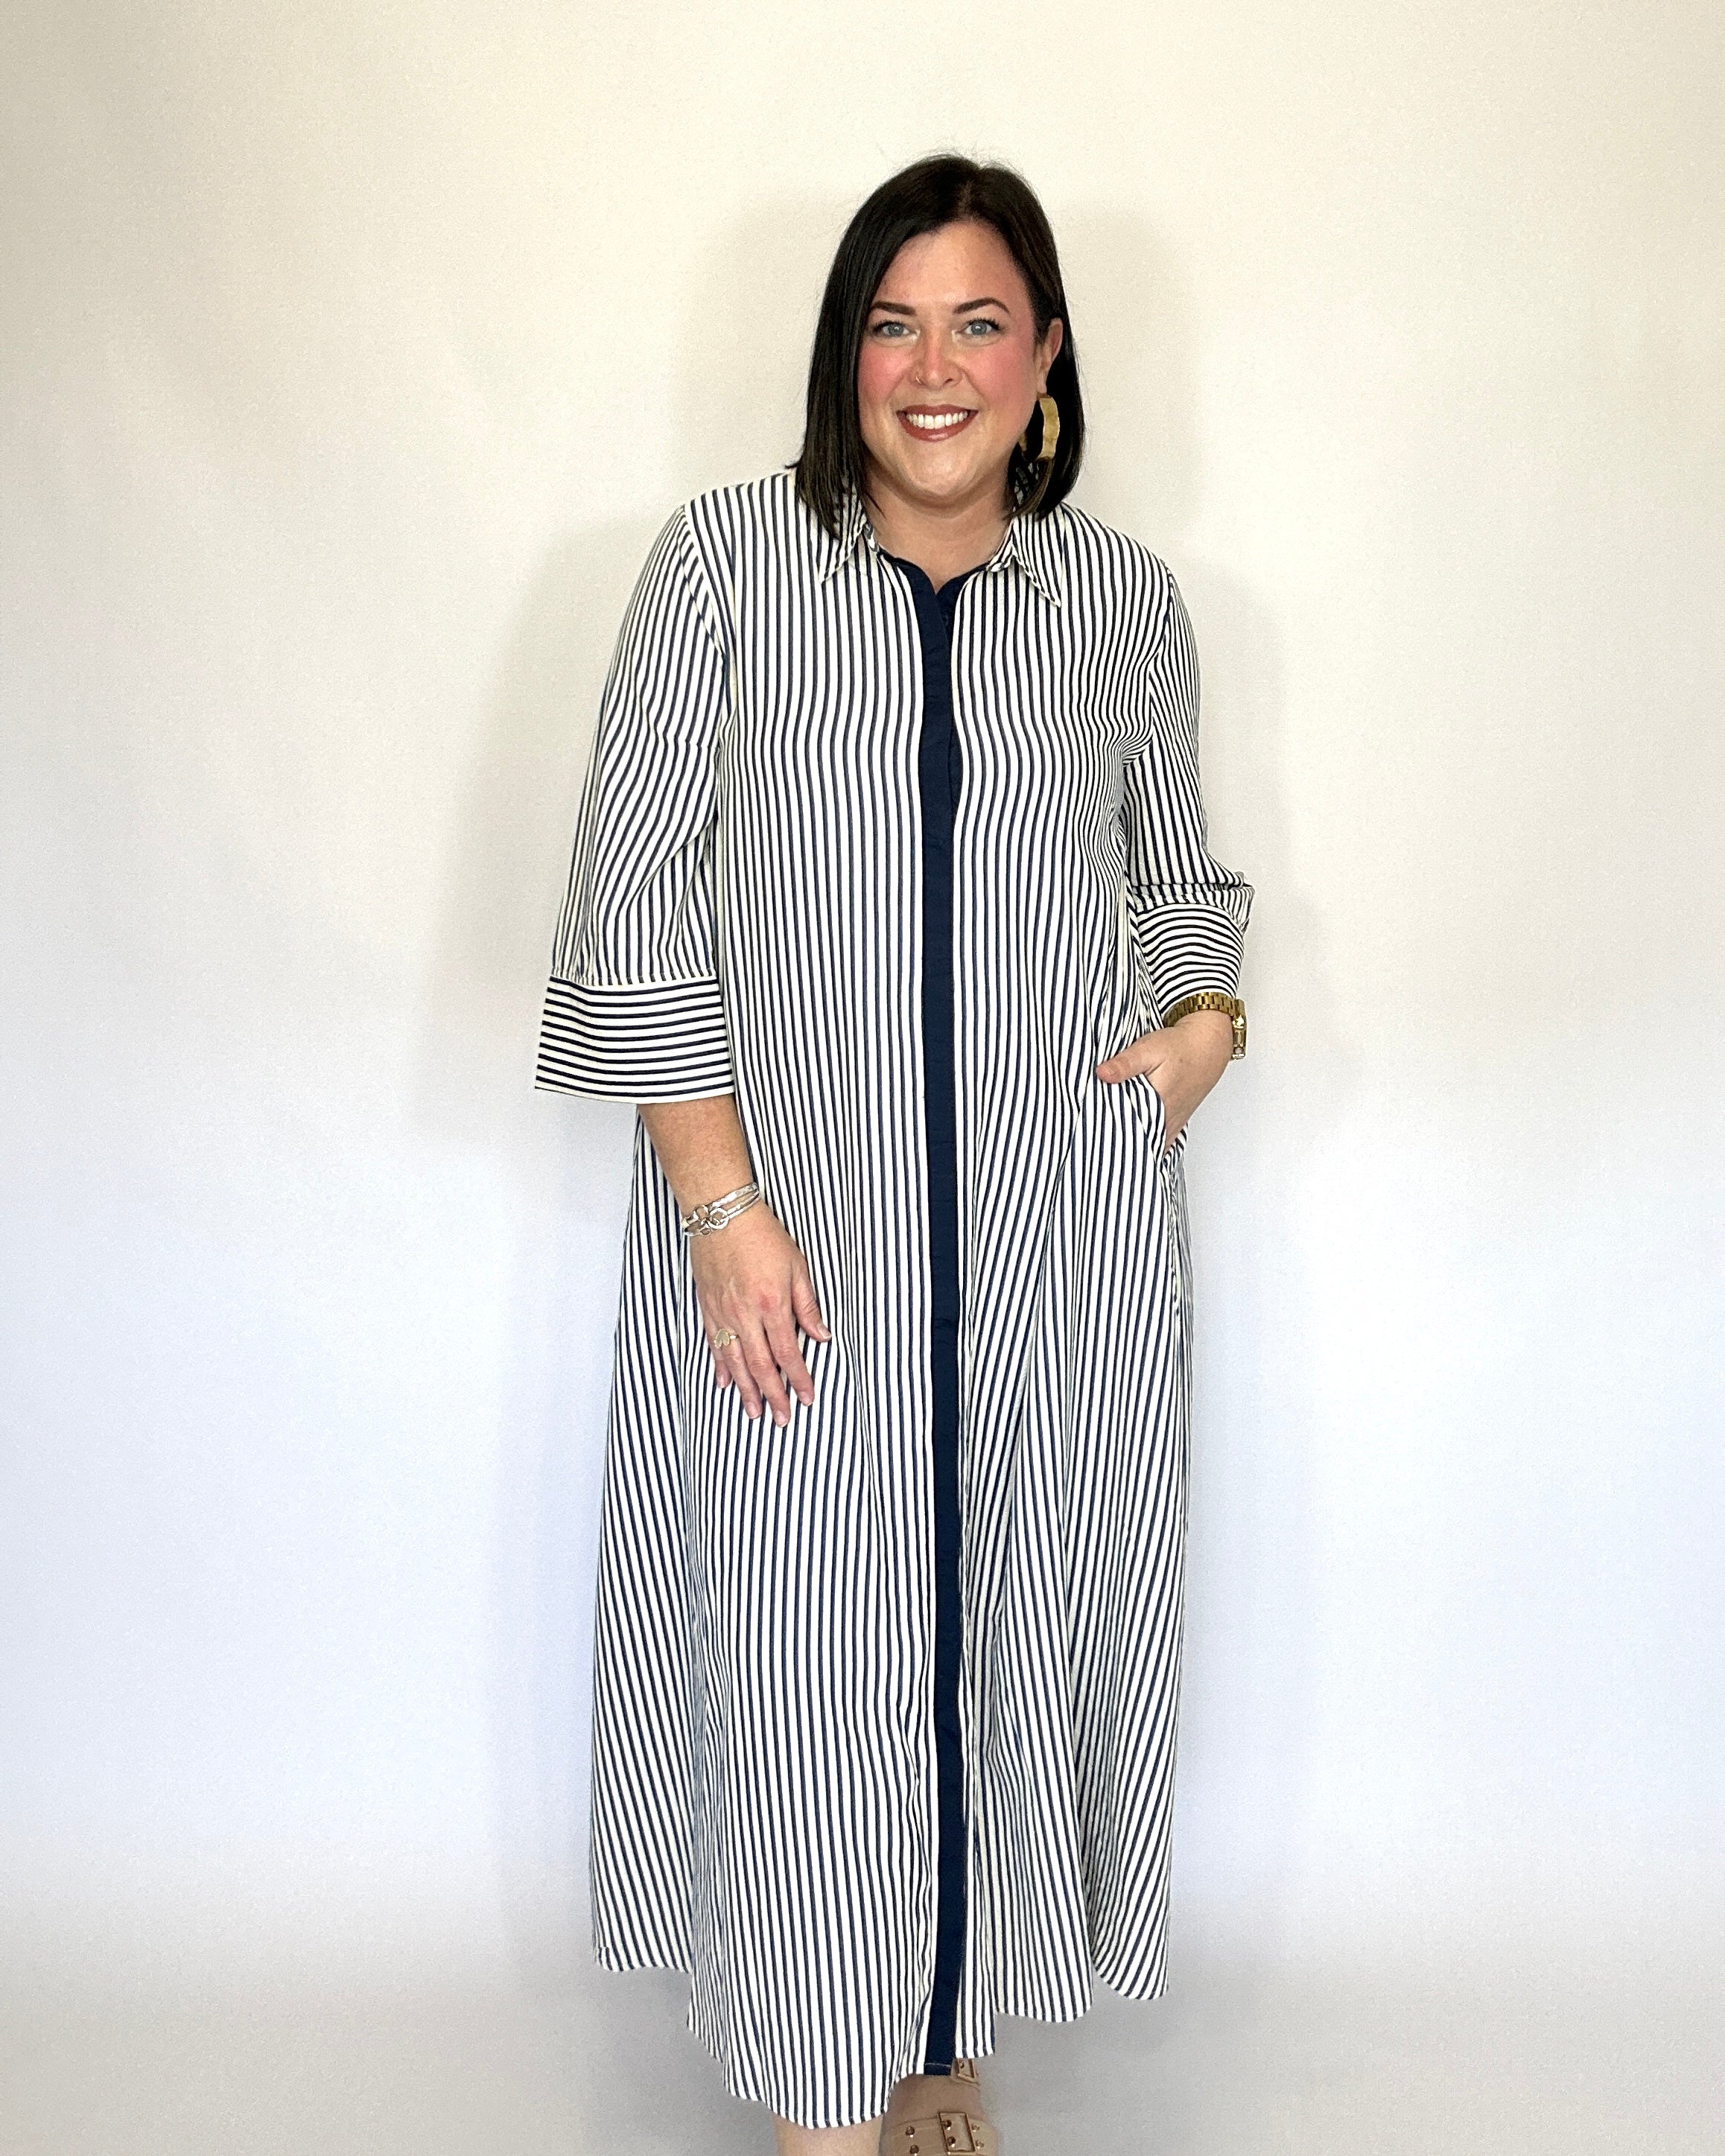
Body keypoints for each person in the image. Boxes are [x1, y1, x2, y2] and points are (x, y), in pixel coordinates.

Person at [535, 153, 1254, 2155]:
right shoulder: (723, 569)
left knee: (999, 1642)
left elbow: (1178, 887)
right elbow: (630, 896)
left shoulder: (1122, 605)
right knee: (811, 1673)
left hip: (1052, 1254)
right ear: (843, 354)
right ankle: (825, 2105)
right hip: (796, 1238)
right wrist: (718, 1206)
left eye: (978, 324)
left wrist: (1204, 1026)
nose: (932, 370)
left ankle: (934, 2035)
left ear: (1047, 359)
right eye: (890, 324)